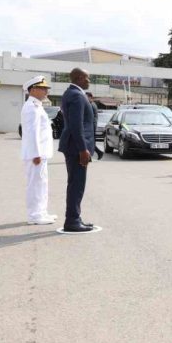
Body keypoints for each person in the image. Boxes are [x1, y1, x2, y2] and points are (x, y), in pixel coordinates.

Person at [58, 68, 96, 233]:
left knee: (75, 183)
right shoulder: (77, 95)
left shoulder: (72, 93)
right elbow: (76, 125)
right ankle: (72, 221)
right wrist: (83, 149)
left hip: (74, 146)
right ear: (80, 78)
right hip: (76, 148)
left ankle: (75, 218)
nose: (89, 81)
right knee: (76, 185)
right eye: (88, 78)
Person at [20, 76, 56, 225]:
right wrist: (36, 154)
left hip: (41, 153)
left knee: (42, 183)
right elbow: (31, 132)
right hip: (36, 154)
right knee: (35, 184)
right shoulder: (31, 107)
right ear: (33, 89)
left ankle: (41, 212)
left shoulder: (37, 105)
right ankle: (34, 215)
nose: (46, 91)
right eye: (43, 88)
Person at [85, 92, 103, 160]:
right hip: (91, 125)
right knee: (89, 142)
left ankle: (98, 153)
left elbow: (90, 117)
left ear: (90, 97)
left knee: (89, 142)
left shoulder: (91, 105)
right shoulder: (91, 104)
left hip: (91, 126)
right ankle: (96, 154)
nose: (85, 98)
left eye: (86, 97)